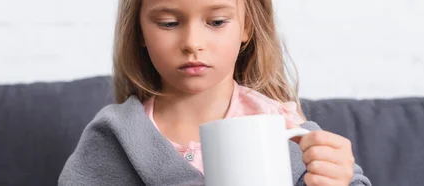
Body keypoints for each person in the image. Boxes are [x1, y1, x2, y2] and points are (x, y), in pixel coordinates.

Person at [59, 0, 371, 185]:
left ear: (247, 27)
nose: (192, 42)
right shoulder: (115, 134)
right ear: (139, 30)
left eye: (217, 21)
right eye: (168, 23)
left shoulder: (283, 127)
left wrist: (338, 177)